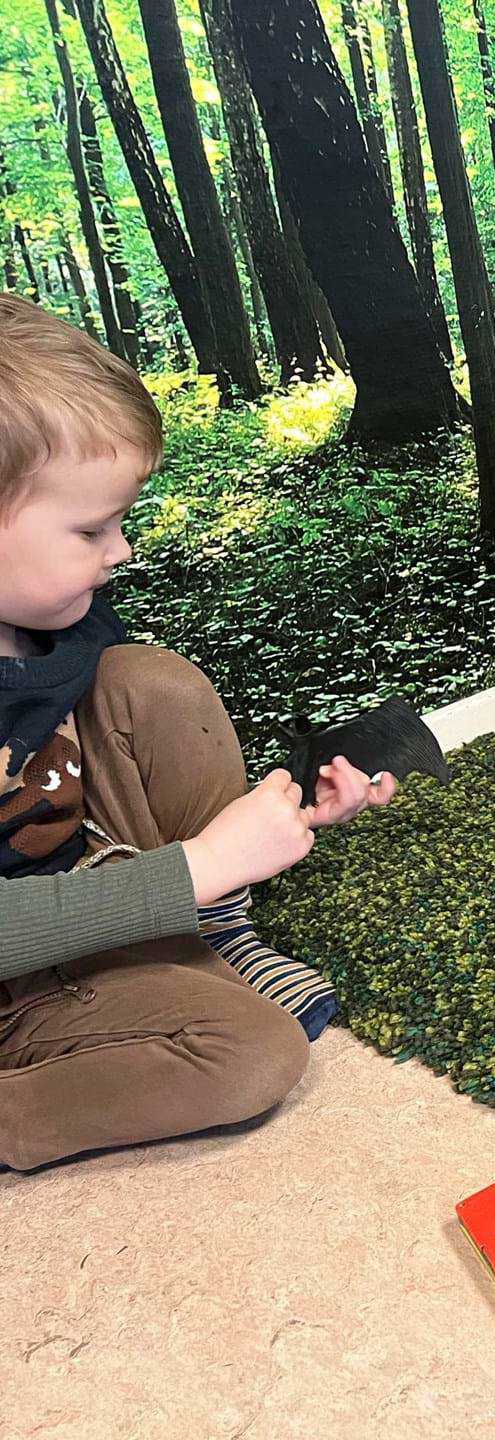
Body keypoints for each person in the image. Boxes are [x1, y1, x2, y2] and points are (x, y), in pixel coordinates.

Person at [0, 296, 395, 1172]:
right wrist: (198, 866)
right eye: (90, 528)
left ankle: (211, 931)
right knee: (251, 1057)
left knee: (151, 682)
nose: (123, 549)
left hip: (72, 876)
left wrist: (281, 818)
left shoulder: (55, 623)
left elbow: (96, 775)